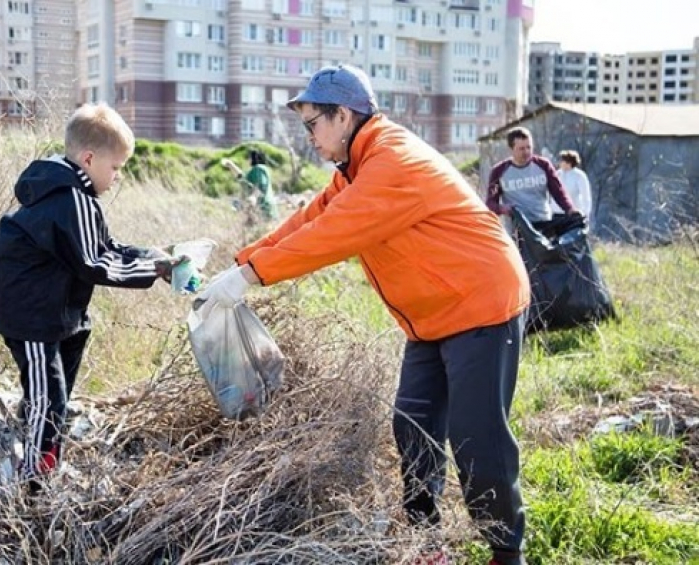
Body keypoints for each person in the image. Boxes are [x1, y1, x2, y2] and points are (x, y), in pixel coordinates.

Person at [200, 64, 531, 565]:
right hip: (432, 317)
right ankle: (427, 546)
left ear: (344, 115)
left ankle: (508, 552)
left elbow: (333, 235)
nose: (308, 135)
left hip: (482, 304)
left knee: (475, 437)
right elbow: (309, 220)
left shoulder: (392, 160)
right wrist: (241, 265)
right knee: (412, 425)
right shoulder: (356, 166)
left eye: (313, 123)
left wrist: (251, 278)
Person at [0, 102, 180, 490]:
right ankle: (35, 479)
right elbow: (94, 262)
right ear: (90, 158)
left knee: (61, 371)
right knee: (49, 396)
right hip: (33, 315)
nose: (117, 177)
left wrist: (156, 255)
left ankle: (40, 432)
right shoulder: (69, 197)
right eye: (115, 168)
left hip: (57, 307)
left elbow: (106, 246)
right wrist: (154, 272)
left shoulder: (75, 193)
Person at [486, 126, 580, 234]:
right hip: (518, 229)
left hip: (544, 224)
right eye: (521, 149)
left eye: (529, 147)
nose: (526, 152)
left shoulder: (543, 165)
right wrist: (503, 209)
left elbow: (558, 192)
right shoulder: (499, 171)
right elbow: (490, 203)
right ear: (511, 149)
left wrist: (570, 209)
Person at [221, 150, 279, 222]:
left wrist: (254, 196)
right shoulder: (256, 171)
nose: (248, 160)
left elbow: (261, 185)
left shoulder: (259, 168)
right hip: (261, 209)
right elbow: (243, 179)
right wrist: (231, 165)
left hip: (264, 208)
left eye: (249, 158)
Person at [552, 149, 592, 226]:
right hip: (556, 214)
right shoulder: (557, 174)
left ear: (569, 163)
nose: (560, 163)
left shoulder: (579, 176)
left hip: (572, 215)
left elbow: (586, 197)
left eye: (562, 161)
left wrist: (585, 215)